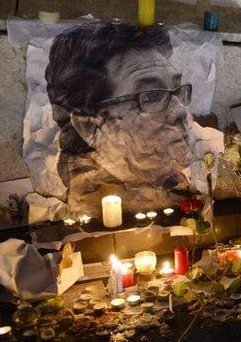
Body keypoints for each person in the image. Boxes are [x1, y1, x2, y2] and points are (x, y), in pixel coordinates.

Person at [46, 23, 218, 217]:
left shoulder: (178, 186)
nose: (179, 111)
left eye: (178, 91)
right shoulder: (90, 205)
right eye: (152, 96)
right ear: (88, 124)